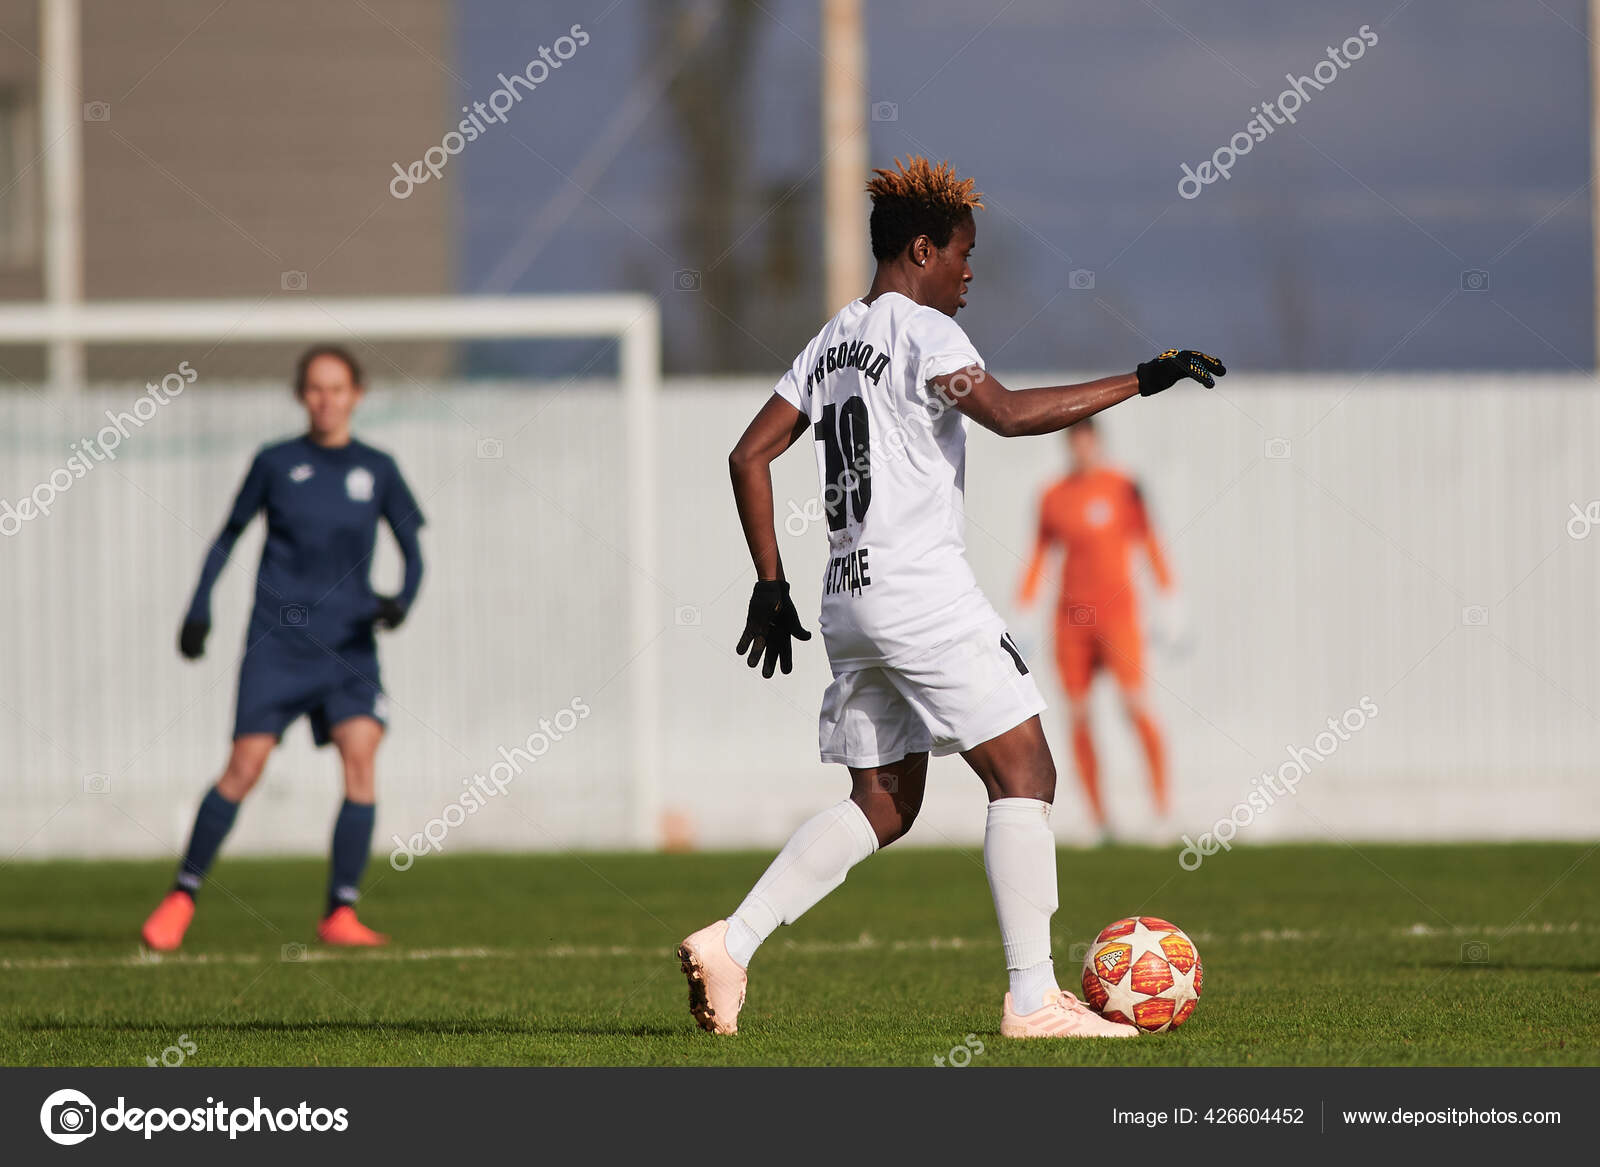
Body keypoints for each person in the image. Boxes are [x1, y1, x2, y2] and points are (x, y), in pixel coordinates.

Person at [676, 156, 1224, 1038]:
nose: (970, 273)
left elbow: (748, 454)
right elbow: (1007, 415)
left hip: (847, 596)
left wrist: (770, 581)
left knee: (886, 804)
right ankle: (1034, 998)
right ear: (922, 247)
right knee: (1026, 771)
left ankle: (731, 944)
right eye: (963, 254)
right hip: (919, 592)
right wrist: (1138, 379)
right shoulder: (924, 334)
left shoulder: (834, 339)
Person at [140, 344, 424, 952]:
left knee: (361, 760)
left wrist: (401, 601)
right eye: (316, 388)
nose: (327, 399)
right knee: (245, 767)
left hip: (349, 647)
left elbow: (415, 551)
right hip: (279, 644)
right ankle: (182, 894)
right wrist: (199, 606)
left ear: (357, 395)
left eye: (338, 388)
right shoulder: (275, 462)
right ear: (303, 396)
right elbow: (228, 537)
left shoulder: (377, 467)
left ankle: (339, 912)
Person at [1018, 418, 1177, 842]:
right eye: (1075, 443)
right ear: (1069, 447)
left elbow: (1149, 540)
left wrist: (1169, 599)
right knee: (1079, 714)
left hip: (1118, 616)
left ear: (1099, 443)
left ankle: (1162, 809)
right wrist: (1025, 607)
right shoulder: (1053, 495)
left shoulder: (1123, 487)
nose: (1082, 450)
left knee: (1135, 705)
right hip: (1071, 621)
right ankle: (1097, 816)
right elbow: (1039, 553)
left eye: (1089, 442)